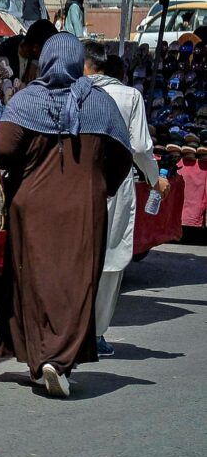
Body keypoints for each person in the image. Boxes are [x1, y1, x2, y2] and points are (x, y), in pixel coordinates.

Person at [0, 33, 133, 398]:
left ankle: (41, 360)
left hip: (31, 208)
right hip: (83, 210)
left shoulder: (27, 99)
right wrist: (101, 185)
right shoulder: (100, 104)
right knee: (75, 282)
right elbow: (122, 157)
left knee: (33, 282)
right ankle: (59, 361)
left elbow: (3, 147)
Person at [83, 44, 170, 356]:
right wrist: (154, 178)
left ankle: (72, 330)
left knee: (78, 256)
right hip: (115, 185)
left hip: (75, 183)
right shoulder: (129, 97)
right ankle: (96, 333)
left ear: (85, 65)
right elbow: (142, 148)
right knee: (110, 259)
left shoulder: (72, 91)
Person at [0, 19, 58, 84]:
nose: (49, 55)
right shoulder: (4, 55)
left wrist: (35, 62)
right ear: (36, 48)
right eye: (48, 50)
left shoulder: (33, 56)